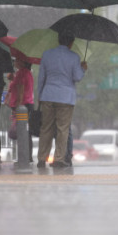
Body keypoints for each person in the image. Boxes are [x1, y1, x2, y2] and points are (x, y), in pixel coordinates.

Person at [36, 33, 87, 168]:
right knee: (62, 129)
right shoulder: (74, 57)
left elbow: (41, 77)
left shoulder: (47, 54)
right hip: (65, 97)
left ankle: (42, 158)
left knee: (46, 128)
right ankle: (58, 158)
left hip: (48, 95)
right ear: (71, 43)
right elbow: (77, 77)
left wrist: (40, 95)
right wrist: (83, 69)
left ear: (58, 40)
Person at [4, 58, 34, 161]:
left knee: (23, 131)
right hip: (26, 105)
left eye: (17, 60)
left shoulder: (22, 73)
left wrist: (18, 107)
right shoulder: (25, 73)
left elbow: (21, 91)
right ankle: (27, 156)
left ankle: (25, 157)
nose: (14, 62)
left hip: (23, 105)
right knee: (25, 131)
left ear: (23, 62)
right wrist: (13, 78)